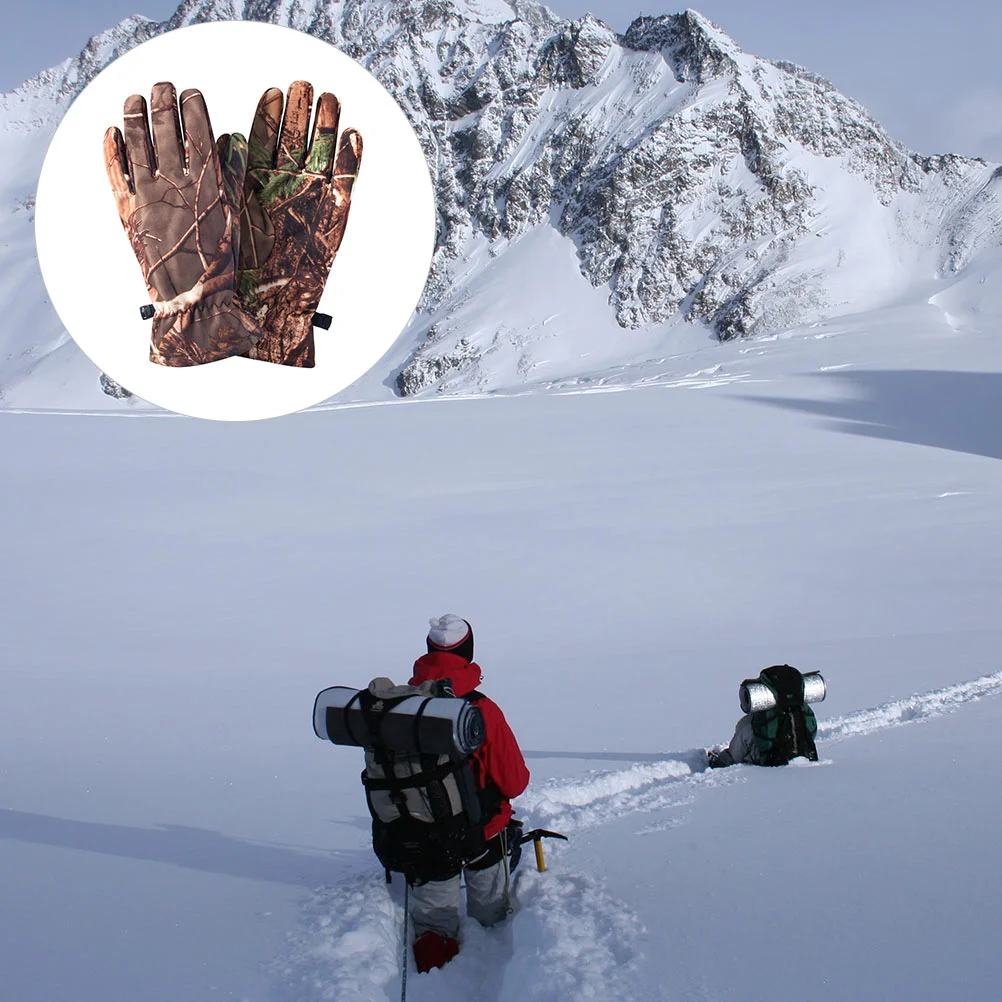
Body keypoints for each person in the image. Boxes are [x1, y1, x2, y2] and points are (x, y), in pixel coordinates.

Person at [405, 614, 530, 973]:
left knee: (432, 931)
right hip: (482, 836)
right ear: (468, 651)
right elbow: (514, 783)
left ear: (428, 651)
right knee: (494, 920)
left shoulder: (402, 707)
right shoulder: (482, 709)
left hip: (423, 837)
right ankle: (493, 969)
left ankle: (435, 976)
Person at [707, 664, 819, 768]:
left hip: (770, 762)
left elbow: (736, 754)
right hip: (805, 755)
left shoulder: (750, 723)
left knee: (744, 735)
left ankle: (719, 761)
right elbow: (812, 733)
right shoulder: (804, 712)